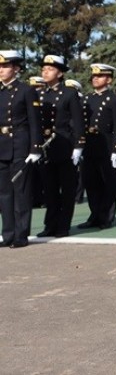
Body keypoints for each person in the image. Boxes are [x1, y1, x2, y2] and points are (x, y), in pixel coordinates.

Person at [36, 55, 83, 238]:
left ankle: (63, 226)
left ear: (60, 73)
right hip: (47, 148)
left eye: (50, 69)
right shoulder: (40, 94)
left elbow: (78, 122)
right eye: (44, 69)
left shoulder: (69, 93)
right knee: (50, 189)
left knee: (67, 189)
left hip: (65, 146)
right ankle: (50, 225)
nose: (45, 72)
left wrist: (78, 146)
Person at [0, 50, 43, 248]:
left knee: (21, 192)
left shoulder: (26, 90)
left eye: (5, 66)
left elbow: (35, 122)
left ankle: (21, 234)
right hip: (2, 146)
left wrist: (35, 148)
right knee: (4, 193)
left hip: (20, 145)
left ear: (16, 68)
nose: (1, 70)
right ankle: (8, 234)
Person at [79, 64, 116, 230]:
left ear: (109, 79)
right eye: (94, 76)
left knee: (108, 183)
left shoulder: (114, 100)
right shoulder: (87, 98)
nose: (95, 79)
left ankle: (106, 217)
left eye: (99, 76)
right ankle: (94, 215)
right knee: (91, 182)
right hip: (90, 145)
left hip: (107, 146)